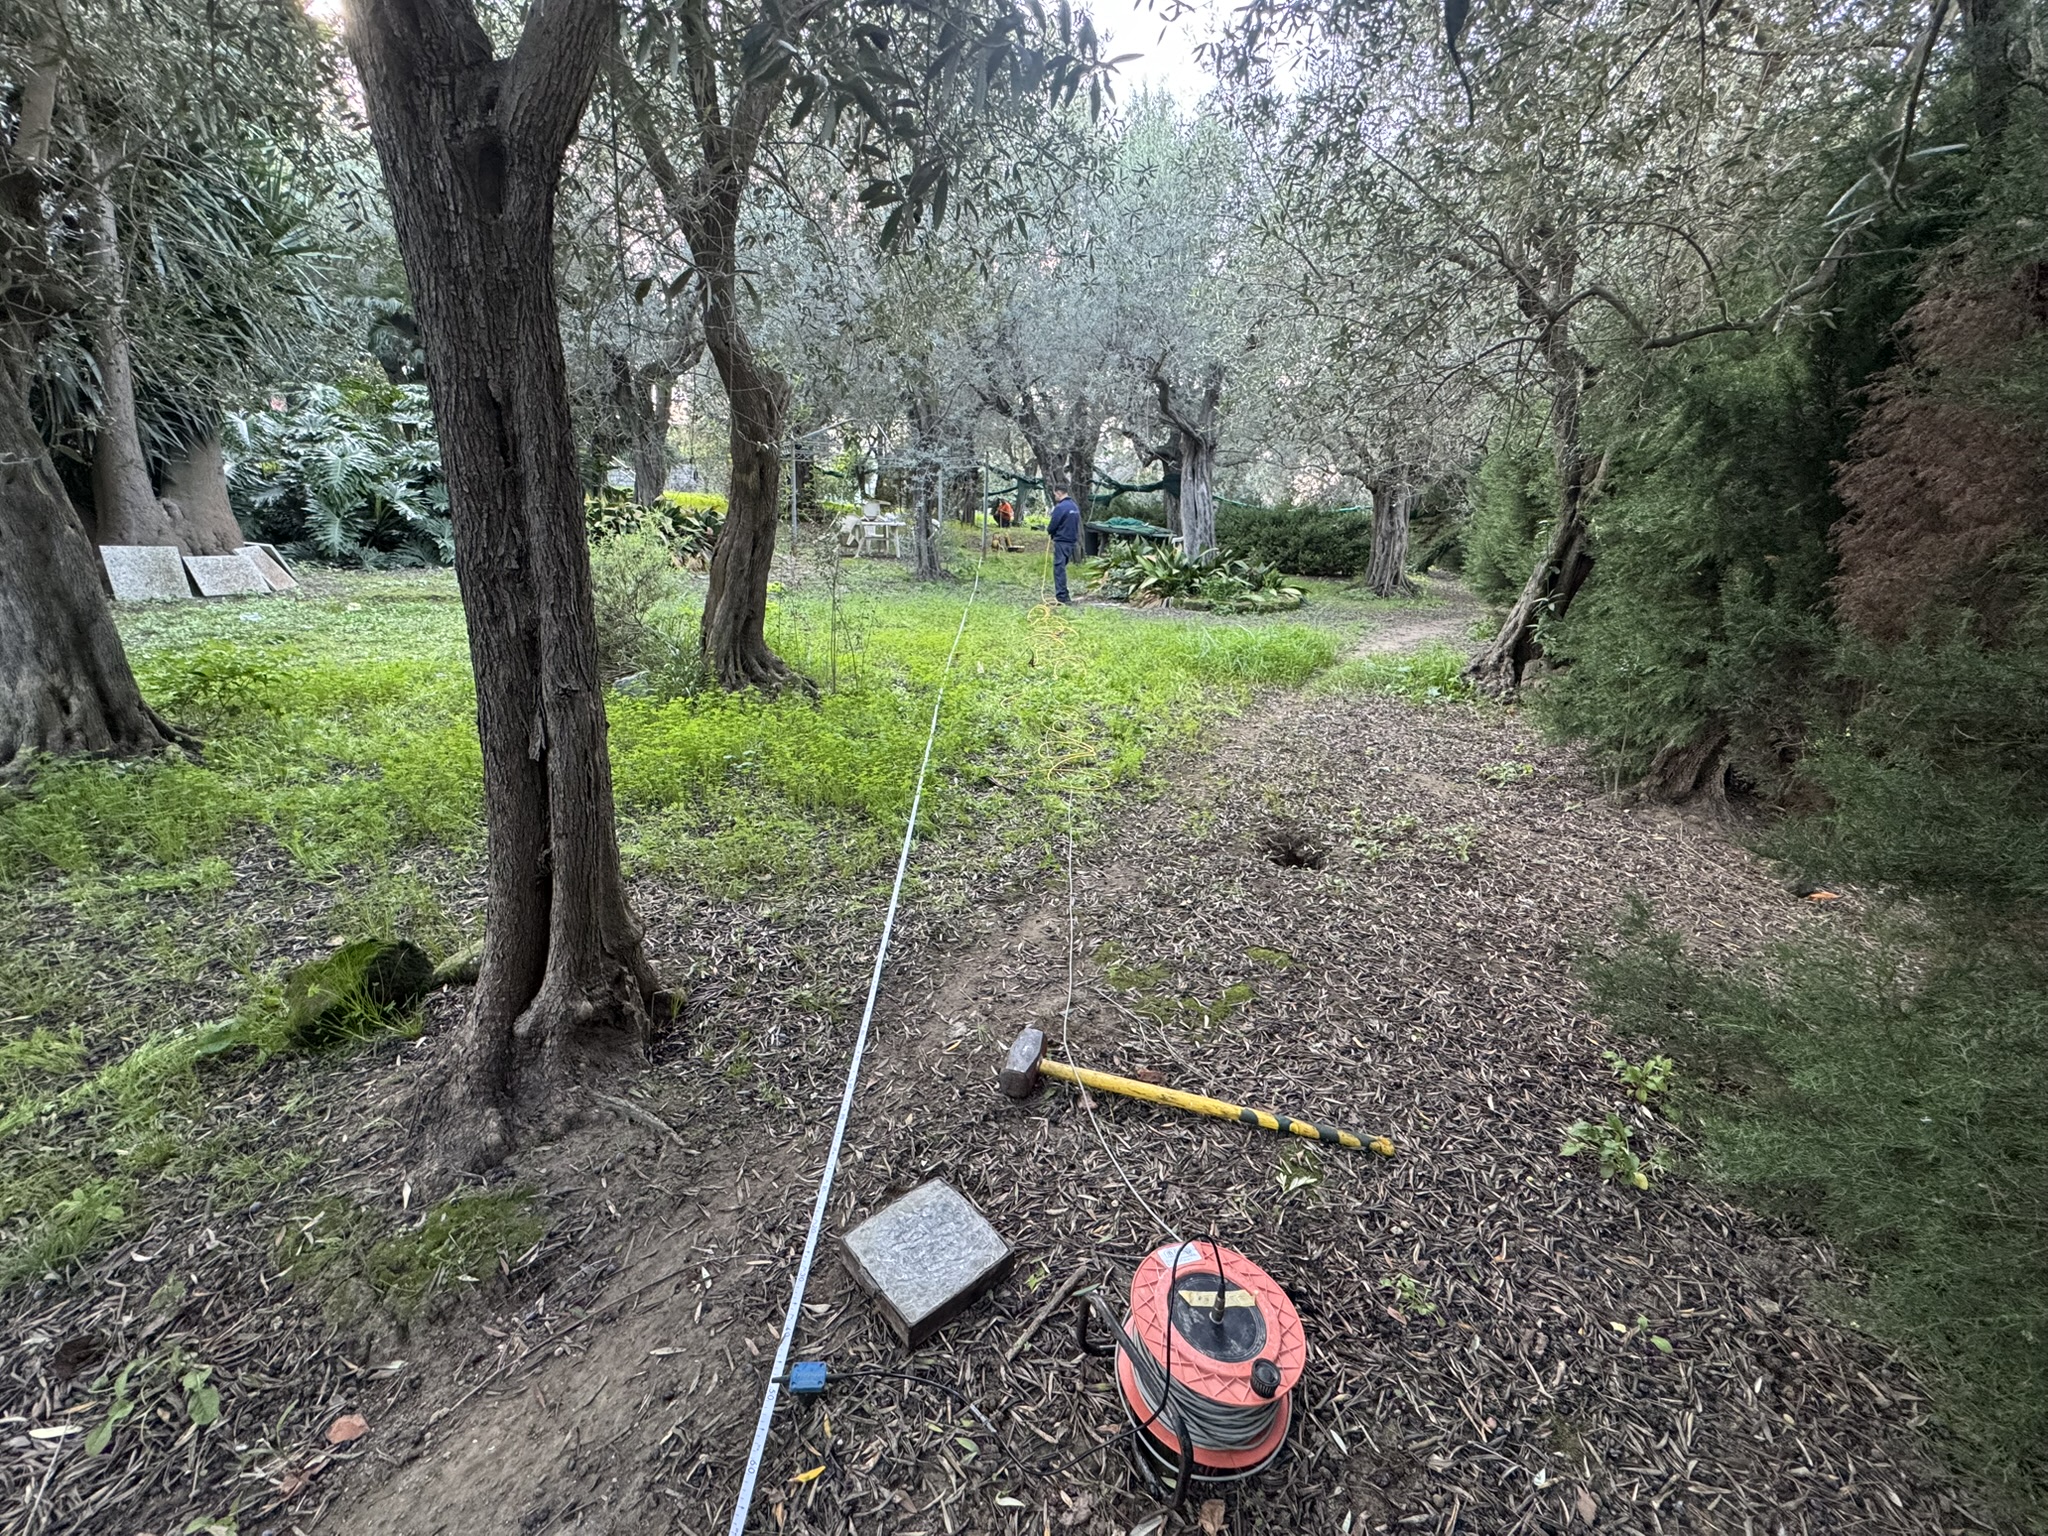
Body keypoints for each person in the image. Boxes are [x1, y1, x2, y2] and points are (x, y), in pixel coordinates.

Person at [1048, 486, 1082, 604]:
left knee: (1059, 568)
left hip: (1061, 541)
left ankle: (1062, 596)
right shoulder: (1074, 506)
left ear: (1058, 493)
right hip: (1071, 542)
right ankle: (1064, 593)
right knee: (1062, 566)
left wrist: (1050, 531)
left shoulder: (1060, 507)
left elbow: (1053, 524)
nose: (1055, 497)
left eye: (1055, 494)